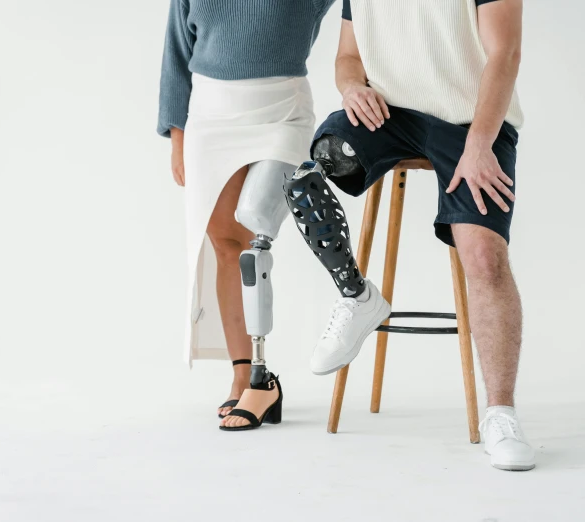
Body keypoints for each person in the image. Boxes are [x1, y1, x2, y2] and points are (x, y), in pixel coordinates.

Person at [283, 0, 535, 470]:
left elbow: (506, 53)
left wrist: (480, 143)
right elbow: (347, 57)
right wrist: (352, 86)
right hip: (389, 115)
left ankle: (500, 413)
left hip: (471, 121)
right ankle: (358, 296)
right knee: (308, 175)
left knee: (483, 257)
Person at [157, 0, 336, 431]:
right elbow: (177, 51)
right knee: (226, 246)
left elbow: (363, 16)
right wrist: (177, 136)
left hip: (281, 112)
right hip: (210, 115)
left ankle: (261, 380)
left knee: (257, 241)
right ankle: (247, 375)